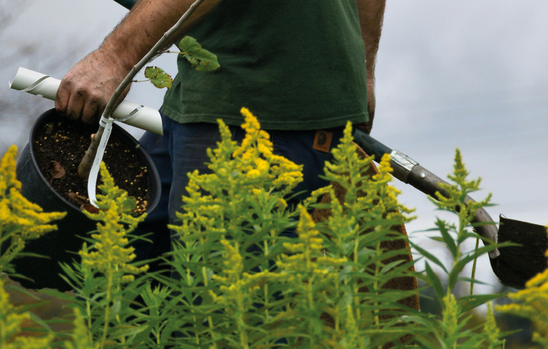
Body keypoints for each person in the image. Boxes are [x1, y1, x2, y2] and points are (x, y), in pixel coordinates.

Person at [54, 0, 387, 262]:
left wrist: (114, 58)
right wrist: (364, 69)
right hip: (211, 88)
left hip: (259, 101)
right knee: (122, 270)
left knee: (230, 308)